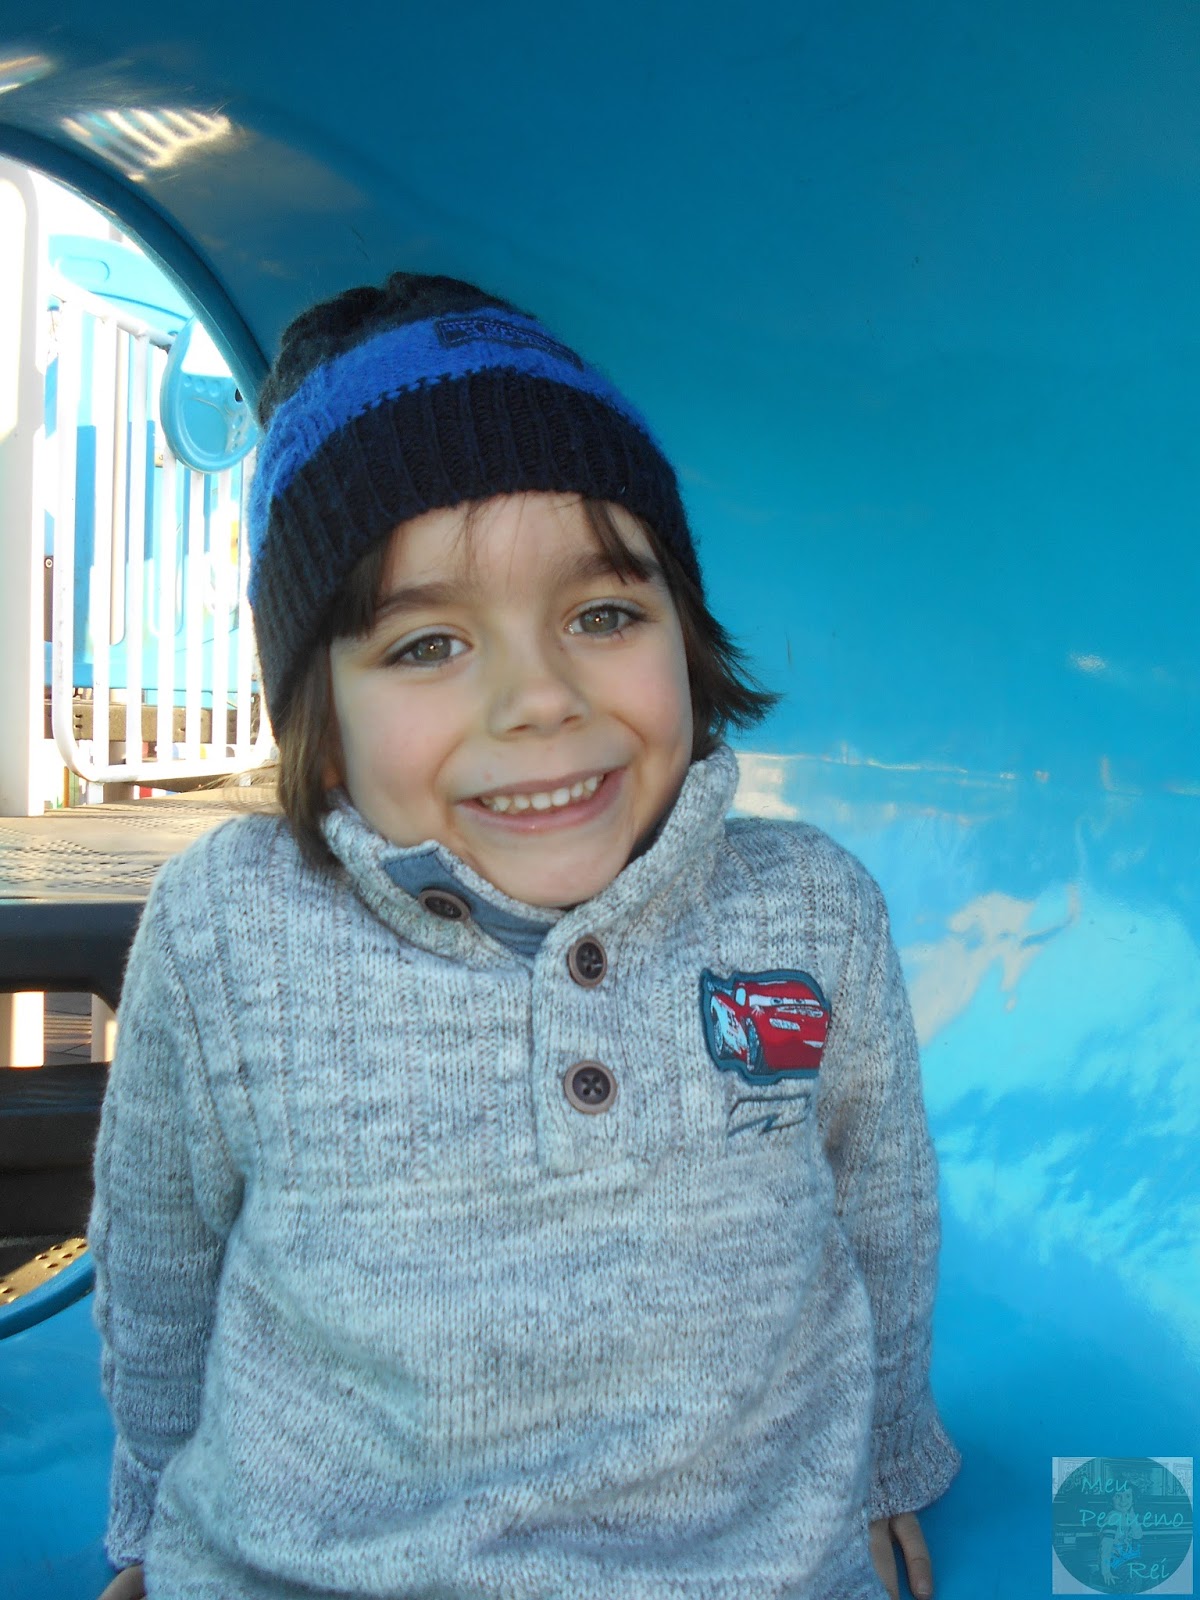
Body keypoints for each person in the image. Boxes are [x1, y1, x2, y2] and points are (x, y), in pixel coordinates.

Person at [92, 273, 961, 1600]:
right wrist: (151, 1520)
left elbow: (881, 1210)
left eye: (602, 616)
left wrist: (889, 1454)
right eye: (428, 643)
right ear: (318, 723)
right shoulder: (231, 929)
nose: (540, 698)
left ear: (686, 634)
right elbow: (160, 1261)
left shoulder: (806, 910)